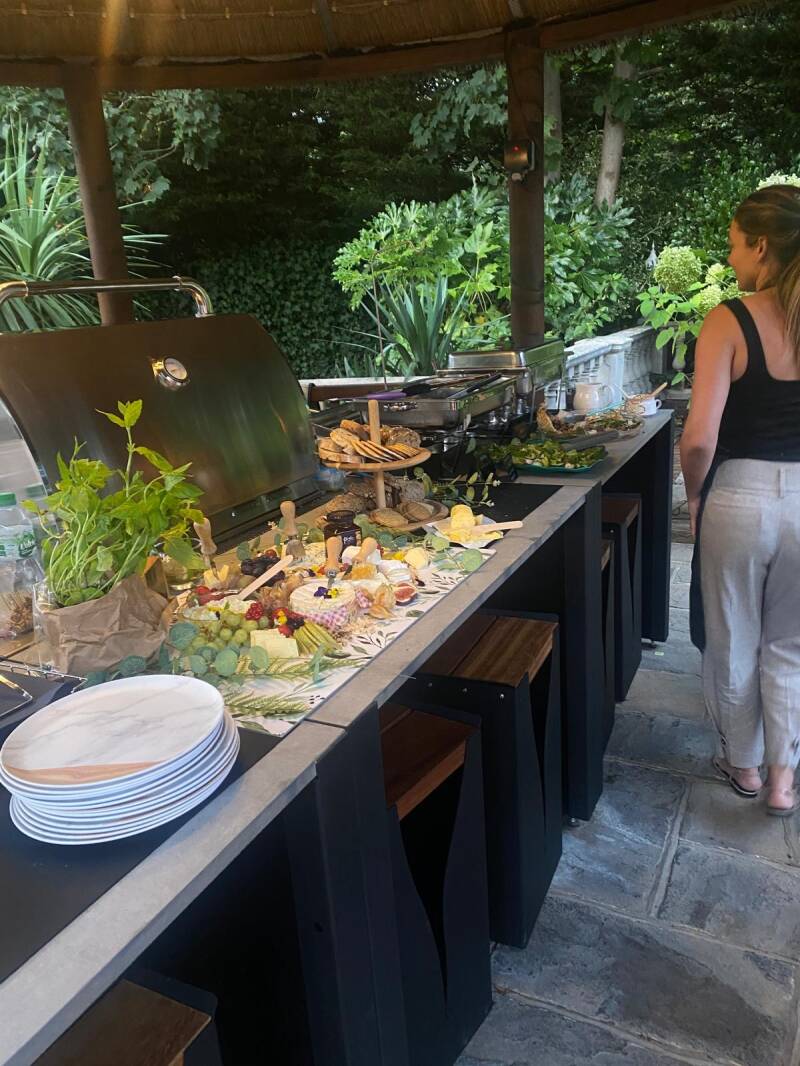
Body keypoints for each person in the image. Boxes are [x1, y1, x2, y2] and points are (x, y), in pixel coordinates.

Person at [680, 183, 800, 817]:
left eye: (733, 245)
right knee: (790, 643)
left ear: (760, 245)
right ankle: (783, 779)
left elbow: (699, 437)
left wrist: (695, 495)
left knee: (733, 636)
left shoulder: (729, 319)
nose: (729, 258)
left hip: (740, 495)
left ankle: (744, 765)